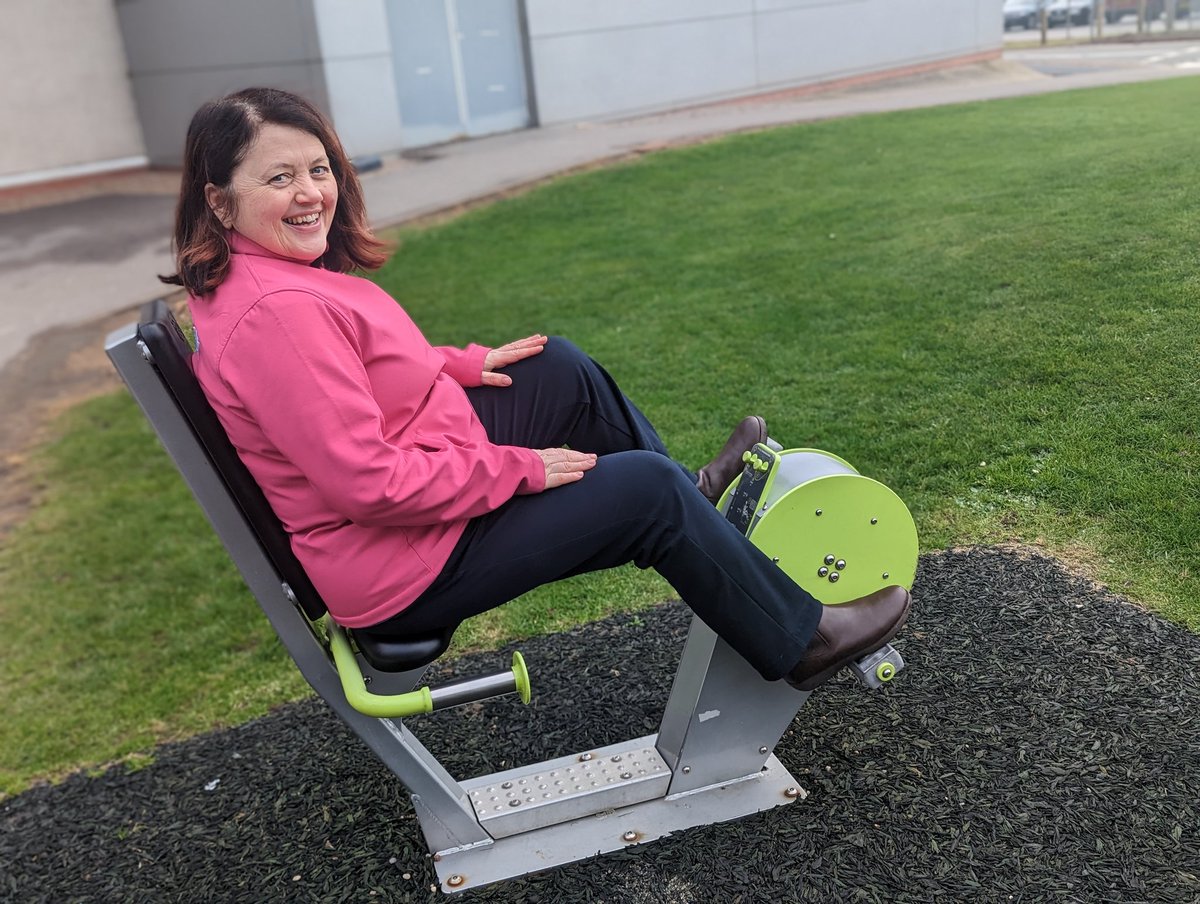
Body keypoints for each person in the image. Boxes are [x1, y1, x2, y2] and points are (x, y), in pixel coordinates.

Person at [163, 87, 910, 692]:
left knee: (556, 369)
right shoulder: (276, 315)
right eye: (279, 177)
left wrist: (452, 364)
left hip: (414, 484)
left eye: (318, 169)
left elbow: (345, 371)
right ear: (220, 201)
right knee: (642, 491)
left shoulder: (261, 275)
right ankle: (802, 639)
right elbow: (368, 484)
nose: (310, 193)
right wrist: (520, 469)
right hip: (404, 563)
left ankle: (694, 510)